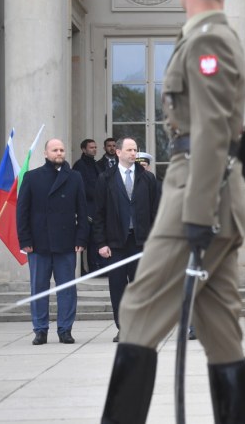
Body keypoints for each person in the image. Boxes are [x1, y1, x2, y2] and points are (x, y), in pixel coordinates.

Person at [100, 0, 245, 422]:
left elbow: (211, 131)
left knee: (138, 309)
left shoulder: (207, 40)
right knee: (220, 325)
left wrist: (196, 213)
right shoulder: (212, 37)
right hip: (215, 196)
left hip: (197, 192)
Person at [16, 138, 90, 345]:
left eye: (62, 150)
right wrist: (25, 240)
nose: (59, 153)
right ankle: (40, 330)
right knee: (39, 288)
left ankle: (65, 329)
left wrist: (81, 238)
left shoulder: (75, 177)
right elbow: (22, 212)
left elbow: (83, 211)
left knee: (67, 289)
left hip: (66, 242)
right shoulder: (32, 177)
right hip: (38, 244)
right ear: (45, 153)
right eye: (55, 150)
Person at [93, 137, 160, 342]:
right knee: (118, 287)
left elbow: (156, 212)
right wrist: (101, 243)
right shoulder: (106, 178)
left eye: (135, 150)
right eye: (129, 150)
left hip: (141, 242)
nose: (134, 153)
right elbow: (98, 214)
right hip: (116, 243)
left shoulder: (147, 179)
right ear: (118, 152)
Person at [72, 137, 104, 273]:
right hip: (87, 207)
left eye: (95, 147)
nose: (94, 149)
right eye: (91, 147)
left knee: (95, 238)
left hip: (96, 206)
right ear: (84, 149)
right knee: (86, 238)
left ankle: (96, 266)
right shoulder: (80, 165)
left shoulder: (96, 164)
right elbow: (82, 188)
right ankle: (86, 269)